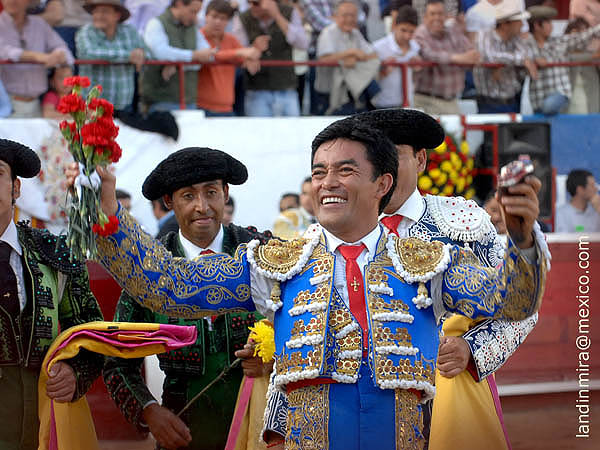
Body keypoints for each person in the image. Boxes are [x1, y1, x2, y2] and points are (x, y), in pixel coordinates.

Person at [76, 108, 547, 449]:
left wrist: (523, 240)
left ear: (382, 184)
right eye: (319, 172)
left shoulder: (428, 263)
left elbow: (513, 302)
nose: (327, 183)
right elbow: (166, 286)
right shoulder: (276, 264)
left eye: (346, 170)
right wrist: (108, 217)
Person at [103, 148, 271, 450]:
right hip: (184, 430)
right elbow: (117, 361)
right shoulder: (149, 267)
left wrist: (273, 361)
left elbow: (304, 333)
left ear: (225, 193)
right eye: (188, 196)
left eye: (211, 193)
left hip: (259, 427)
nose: (202, 207)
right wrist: (149, 410)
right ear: (169, 202)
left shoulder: (264, 253)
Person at [0, 138, 104, 450]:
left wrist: (75, 371)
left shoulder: (54, 252)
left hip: (44, 417)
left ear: (15, 188)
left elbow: (90, 329)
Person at [232, 0, 309, 116]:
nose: (251, 6)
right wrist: (254, 48)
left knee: (292, 127)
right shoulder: (242, 18)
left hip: (286, 88)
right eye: (249, 2)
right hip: (256, 90)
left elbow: (303, 44)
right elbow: (237, 52)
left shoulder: (289, 12)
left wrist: (277, 15)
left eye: (256, 3)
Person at [0, 0, 74, 118]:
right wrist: (39, 57)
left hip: (38, 104)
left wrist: (59, 55)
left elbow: (63, 48)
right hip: (6, 106)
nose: (12, 0)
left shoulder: (39, 24)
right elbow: (4, 51)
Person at [523, 5, 600, 115]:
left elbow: (584, 36)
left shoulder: (558, 42)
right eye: (548, 22)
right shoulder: (525, 46)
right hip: (537, 99)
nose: (551, 26)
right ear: (537, 25)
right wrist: (530, 61)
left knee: (549, 106)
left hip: (558, 95)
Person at [142, 0, 216, 112]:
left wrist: (177, 65)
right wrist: (193, 56)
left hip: (189, 101)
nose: (195, 17)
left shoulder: (192, 27)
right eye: (193, 11)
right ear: (179, 4)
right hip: (160, 101)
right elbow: (160, 52)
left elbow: (208, 55)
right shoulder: (155, 24)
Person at [76, 0, 148, 111]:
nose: (99, 16)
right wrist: (129, 56)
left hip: (124, 105)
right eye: (95, 12)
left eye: (104, 12)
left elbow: (147, 52)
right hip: (93, 108)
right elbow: (88, 53)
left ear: (117, 15)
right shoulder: (85, 32)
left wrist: (141, 53)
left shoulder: (130, 31)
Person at [196, 0, 263, 116]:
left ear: (228, 21)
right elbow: (208, 56)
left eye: (223, 18)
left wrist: (250, 58)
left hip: (227, 108)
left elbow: (247, 56)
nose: (218, 22)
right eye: (214, 16)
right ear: (206, 17)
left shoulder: (231, 40)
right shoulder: (199, 36)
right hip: (202, 107)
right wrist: (239, 53)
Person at [413, 0, 479, 115]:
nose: (437, 18)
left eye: (440, 13)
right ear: (425, 17)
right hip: (426, 100)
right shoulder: (420, 34)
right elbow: (429, 55)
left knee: (458, 127)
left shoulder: (453, 31)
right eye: (432, 14)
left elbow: (473, 53)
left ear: (446, 16)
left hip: (451, 100)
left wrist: (460, 58)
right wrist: (457, 58)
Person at [315, 0, 379, 115]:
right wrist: (350, 53)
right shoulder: (328, 33)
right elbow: (324, 59)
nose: (349, 19)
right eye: (345, 15)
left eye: (352, 15)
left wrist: (355, 59)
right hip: (329, 92)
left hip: (351, 92)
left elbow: (373, 55)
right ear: (335, 17)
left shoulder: (355, 33)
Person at [474, 0, 536, 113]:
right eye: (518, 21)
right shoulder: (484, 35)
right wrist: (519, 61)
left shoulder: (516, 38)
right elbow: (489, 56)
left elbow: (527, 55)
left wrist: (502, 63)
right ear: (505, 24)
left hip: (512, 101)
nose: (522, 25)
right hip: (489, 103)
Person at [372, 5, 421, 108]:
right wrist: (383, 70)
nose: (407, 36)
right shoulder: (378, 47)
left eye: (411, 32)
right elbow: (368, 78)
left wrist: (418, 66)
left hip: (408, 103)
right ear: (395, 25)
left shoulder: (415, 47)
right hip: (383, 104)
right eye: (403, 30)